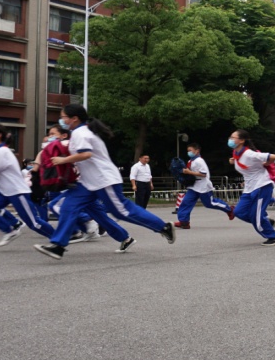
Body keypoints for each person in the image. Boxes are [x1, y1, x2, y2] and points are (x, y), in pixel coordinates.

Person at [35, 105, 175, 259]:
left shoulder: (81, 133)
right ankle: (58, 245)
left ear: (74, 118)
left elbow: (86, 154)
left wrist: (63, 160)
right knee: (69, 206)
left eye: (63, 117)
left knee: (121, 211)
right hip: (87, 182)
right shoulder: (78, 133)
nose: (61, 120)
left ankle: (163, 227)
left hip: (103, 179)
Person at [0, 124, 54, 247]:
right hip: (3, 191)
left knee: (33, 223)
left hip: (17, 191)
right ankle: (10, 230)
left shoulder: (3, 151)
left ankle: (58, 239)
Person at [228, 129, 275, 246]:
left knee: (255, 215)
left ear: (242, 141)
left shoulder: (250, 154)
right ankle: (266, 222)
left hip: (261, 186)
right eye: (230, 137)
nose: (231, 140)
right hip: (249, 189)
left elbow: (273, 157)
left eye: (234, 138)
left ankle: (274, 237)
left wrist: (267, 163)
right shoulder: (237, 153)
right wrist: (233, 161)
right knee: (238, 212)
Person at [173, 143, 235, 229]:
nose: (189, 152)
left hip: (203, 185)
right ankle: (184, 222)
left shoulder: (199, 161)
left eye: (190, 150)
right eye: (188, 151)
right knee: (186, 202)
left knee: (210, 203)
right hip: (194, 186)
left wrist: (189, 172)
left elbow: (203, 174)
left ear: (197, 151)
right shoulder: (191, 161)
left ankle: (229, 209)